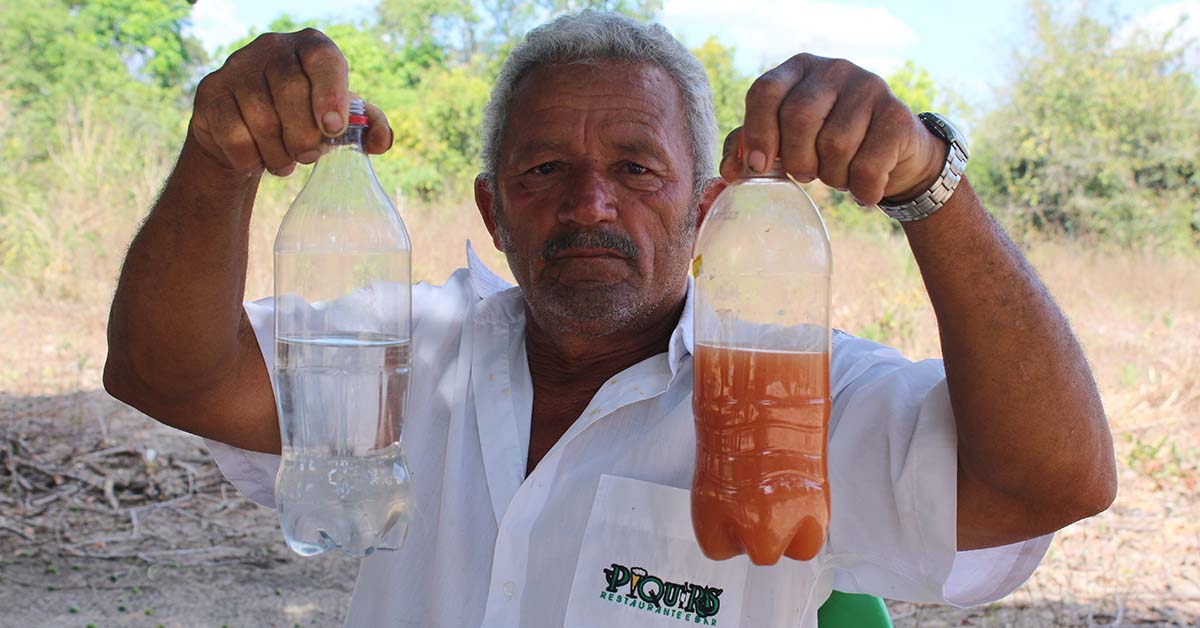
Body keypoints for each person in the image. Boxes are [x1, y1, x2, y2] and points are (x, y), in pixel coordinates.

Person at [103, 11, 1117, 628]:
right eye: (546, 170)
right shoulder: (412, 352)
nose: (590, 205)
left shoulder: (796, 396)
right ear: (494, 211)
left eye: (637, 168)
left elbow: (1053, 480)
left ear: (705, 208)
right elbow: (168, 372)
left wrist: (933, 188)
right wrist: (219, 156)